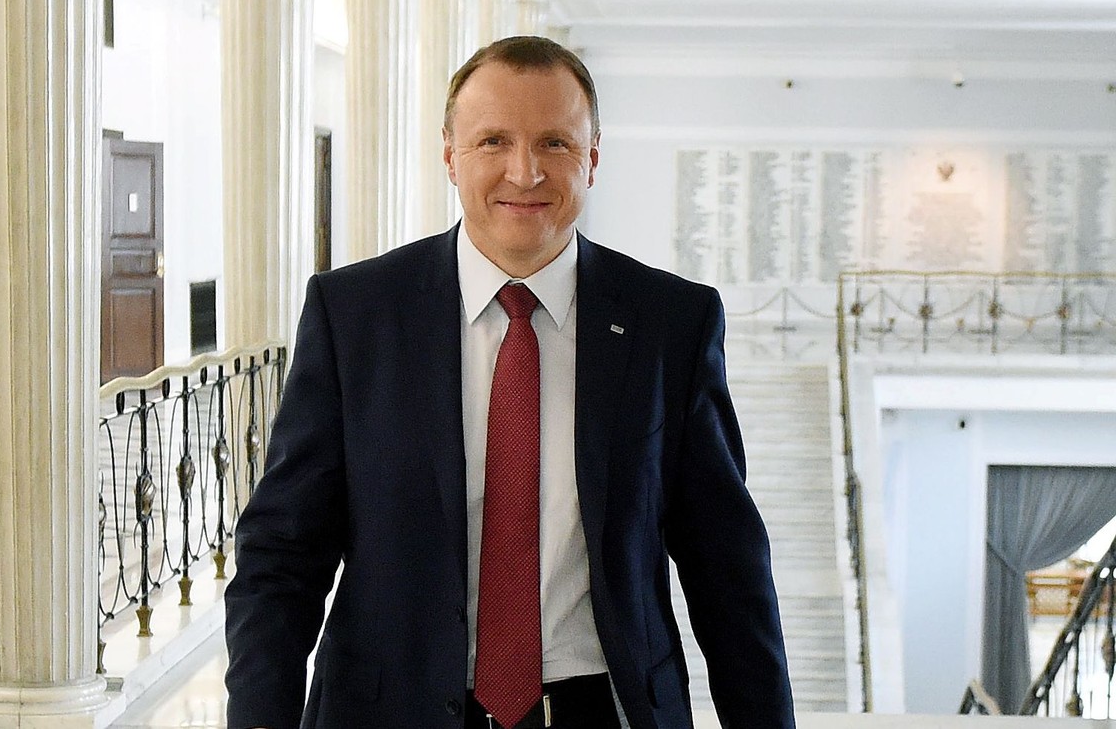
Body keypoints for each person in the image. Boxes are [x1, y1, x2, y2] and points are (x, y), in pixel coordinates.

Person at [224, 35, 794, 729]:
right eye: (493, 141)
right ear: (449, 154)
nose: (524, 173)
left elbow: (726, 568)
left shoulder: (671, 324)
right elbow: (282, 555)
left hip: (600, 711)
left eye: (554, 142)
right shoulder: (355, 316)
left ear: (592, 157)